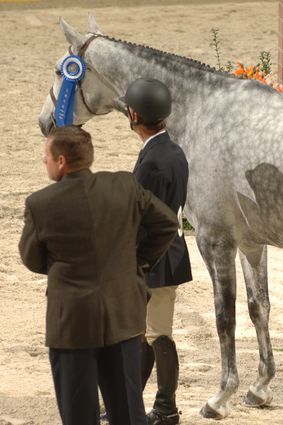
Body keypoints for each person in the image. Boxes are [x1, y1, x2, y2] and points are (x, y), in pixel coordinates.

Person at [19, 126, 179, 425]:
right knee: (129, 414)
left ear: (62, 162)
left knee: (79, 415)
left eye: (47, 157)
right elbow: (167, 224)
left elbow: (32, 258)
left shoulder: (40, 203)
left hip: (72, 323)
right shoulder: (124, 185)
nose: (45, 162)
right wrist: (138, 262)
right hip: (123, 314)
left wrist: (62, 267)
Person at [115, 78, 192, 425]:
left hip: (155, 255)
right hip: (168, 250)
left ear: (134, 114)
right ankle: (128, 403)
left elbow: (140, 217)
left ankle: (166, 407)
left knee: (159, 332)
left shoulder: (152, 163)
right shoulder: (172, 151)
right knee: (146, 331)